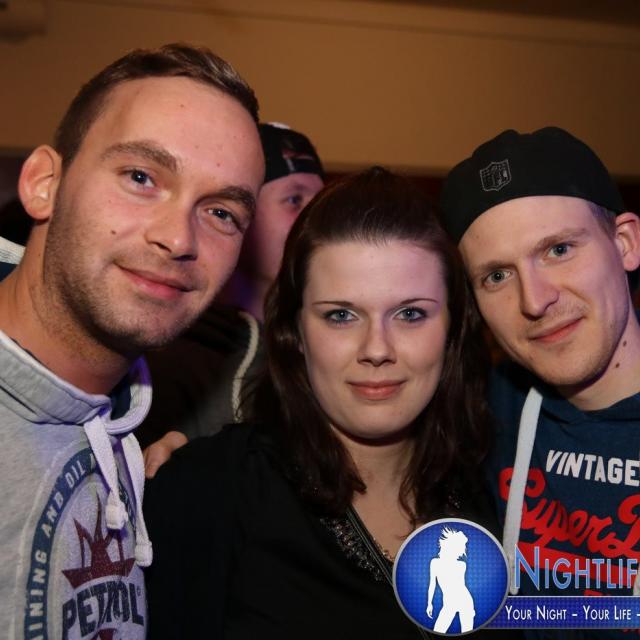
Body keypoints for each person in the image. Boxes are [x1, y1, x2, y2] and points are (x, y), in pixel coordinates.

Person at [143, 167, 508, 638]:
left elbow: (587, 610)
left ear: (453, 328)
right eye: (341, 316)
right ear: (294, 331)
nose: (377, 349)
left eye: (410, 314)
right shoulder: (209, 491)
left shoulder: (499, 485)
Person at [0, 43, 264, 638]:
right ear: (43, 184)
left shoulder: (133, 430)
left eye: (221, 212)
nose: (179, 239)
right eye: (141, 177)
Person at [440, 127, 640, 637]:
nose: (534, 300)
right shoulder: (479, 415)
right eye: (497, 276)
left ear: (625, 243)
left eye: (558, 249)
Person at [139, 123, 324, 471]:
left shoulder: (326, 346)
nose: (317, 220)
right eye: (294, 200)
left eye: (321, 202)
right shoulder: (169, 354)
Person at [426, 527, 475, 633]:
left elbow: (461, 586)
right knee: (438, 631)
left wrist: (471, 609)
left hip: (465, 601)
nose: (462, 551)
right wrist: (429, 603)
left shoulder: (462, 565)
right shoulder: (435, 563)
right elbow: (432, 584)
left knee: (468, 633)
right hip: (449, 603)